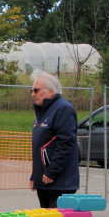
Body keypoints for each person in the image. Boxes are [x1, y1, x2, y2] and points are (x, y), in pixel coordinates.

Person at [28, 70, 80, 209]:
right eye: (32, 90)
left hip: (60, 183)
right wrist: (35, 176)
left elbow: (66, 143)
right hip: (44, 183)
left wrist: (52, 171)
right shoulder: (42, 112)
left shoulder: (63, 109)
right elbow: (40, 145)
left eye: (36, 90)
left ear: (50, 92)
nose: (33, 94)